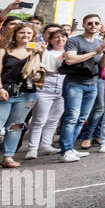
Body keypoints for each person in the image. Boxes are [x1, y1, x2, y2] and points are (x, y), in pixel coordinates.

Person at [0, 22, 42, 172]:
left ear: (33, 36)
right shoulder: (3, 51)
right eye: (22, 33)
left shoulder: (35, 52)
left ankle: (8, 156)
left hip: (27, 93)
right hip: (2, 93)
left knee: (16, 126)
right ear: (15, 35)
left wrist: (42, 53)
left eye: (28, 34)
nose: (25, 36)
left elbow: (48, 69)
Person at [55, 14, 105, 163]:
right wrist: (95, 52)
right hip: (74, 83)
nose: (93, 25)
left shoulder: (100, 42)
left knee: (81, 119)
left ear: (100, 25)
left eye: (96, 23)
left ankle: (70, 148)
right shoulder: (74, 40)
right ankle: (65, 151)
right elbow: (70, 60)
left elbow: (102, 65)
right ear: (84, 25)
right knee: (71, 117)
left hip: (92, 84)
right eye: (89, 23)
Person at [23, 26, 68, 159]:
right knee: (39, 120)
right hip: (44, 90)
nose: (60, 39)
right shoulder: (44, 52)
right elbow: (52, 67)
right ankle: (32, 148)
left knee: (54, 119)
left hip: (63, 90)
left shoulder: (71, 52)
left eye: (63, 36)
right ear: (50, 40)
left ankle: (46, 145)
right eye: (56, 37)